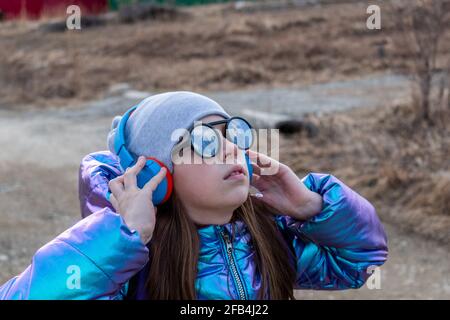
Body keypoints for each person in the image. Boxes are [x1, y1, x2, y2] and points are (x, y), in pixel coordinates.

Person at [0, 91, 388, 299]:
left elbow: (361, 262)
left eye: (231, 133)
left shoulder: (270, 240)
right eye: (203, 141)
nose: (230, 148)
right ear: (156, 174)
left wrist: (310, 206)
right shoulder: (130, 268)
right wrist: (122, 238)